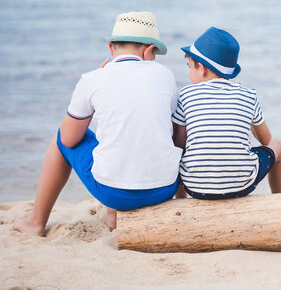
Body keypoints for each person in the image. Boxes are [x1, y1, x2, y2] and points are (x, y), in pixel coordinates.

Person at [15, 12, 182, 235]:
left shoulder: (93, 79)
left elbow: (69, 139)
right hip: (164, 188)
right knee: (146, 128)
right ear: (149, 50)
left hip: (112, 192)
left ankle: (35, 222)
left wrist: (95, 104)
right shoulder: (165, 75)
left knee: (62, 138)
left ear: (111, 48)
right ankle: (113, 212)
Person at [172, 27, 281, 199]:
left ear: (201, 68)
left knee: (180, 154)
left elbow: (180, 144)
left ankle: (181, 202)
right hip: (242, 185)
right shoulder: (248, 95)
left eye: (190, 68)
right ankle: (280, 199)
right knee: (277, 146)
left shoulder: (186, 95)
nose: (189, 74)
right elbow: (266, 141)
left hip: (195, 186)